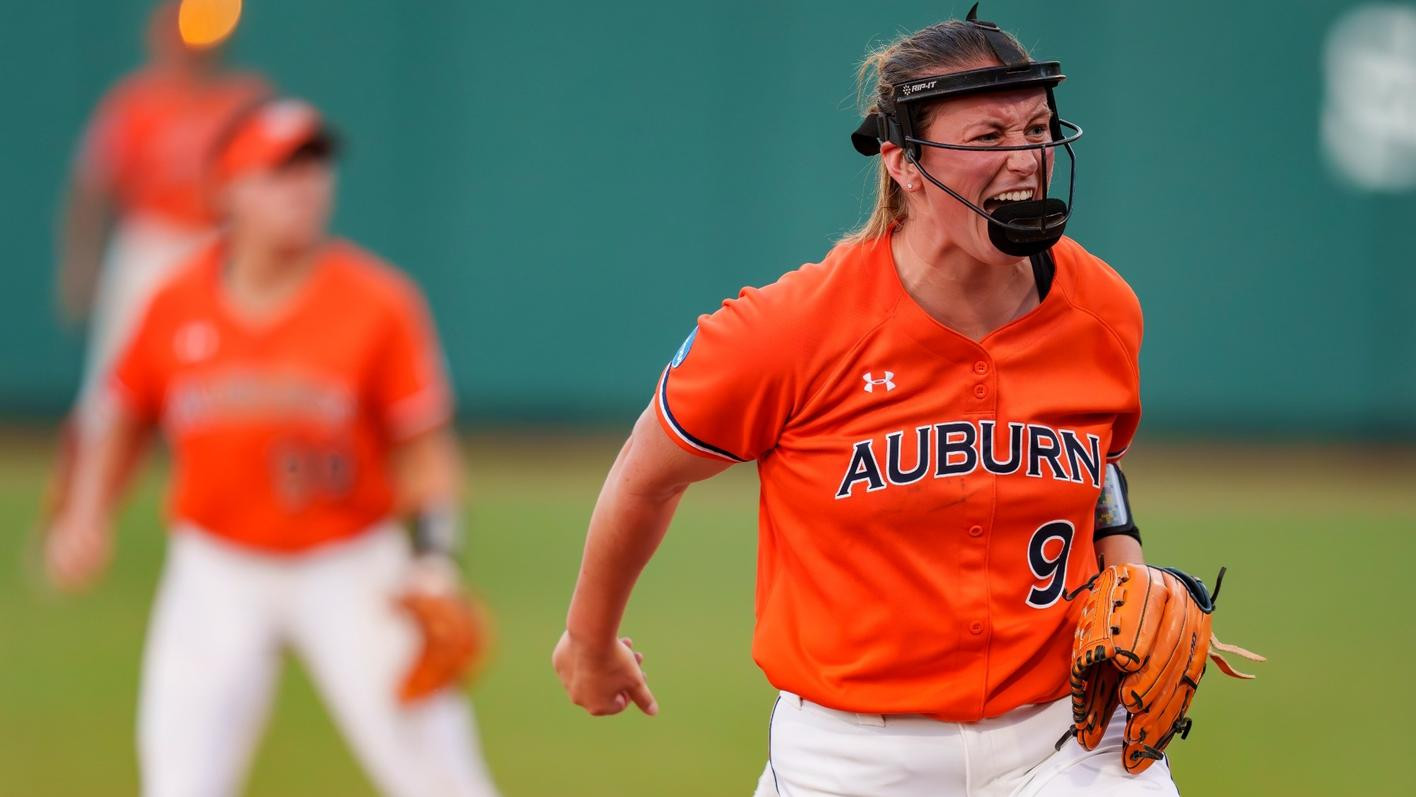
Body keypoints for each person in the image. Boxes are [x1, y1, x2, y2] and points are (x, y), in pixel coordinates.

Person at [554, 8, 1207, 796]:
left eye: (1037, 128)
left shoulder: (1102, 308)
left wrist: (1127, 562)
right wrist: (589, 643)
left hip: (1068, 736)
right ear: (902, 161)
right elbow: (644, 474)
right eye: (988, 136)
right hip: (855, 758)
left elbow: (1098, 461)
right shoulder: (789, 331)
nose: (1026, 158)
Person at [44, 97, 501, 797]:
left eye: (315, 167)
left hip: (351, 563)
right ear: (227, 189)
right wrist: (88, 512)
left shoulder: (379, 302)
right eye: (280, 170)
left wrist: (434, 558)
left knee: (444, 782)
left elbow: (423, 447)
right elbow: (127, 412)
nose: (306, 186)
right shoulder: (174, 302)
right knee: (179, 783)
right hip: (215, 569)